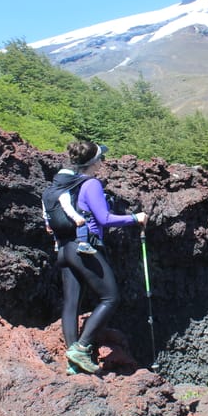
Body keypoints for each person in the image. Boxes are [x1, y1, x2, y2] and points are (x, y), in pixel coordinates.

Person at [54, 141, 148, 374]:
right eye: (101, 159)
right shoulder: (91, 184)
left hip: (64, 248)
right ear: (93, 162)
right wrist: (136, 218)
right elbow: (105, 219)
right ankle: (82, 347)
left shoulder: (65, 183)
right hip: (85, 247)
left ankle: (73, 363)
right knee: (110, 298)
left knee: (71, 304)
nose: (102, 162)